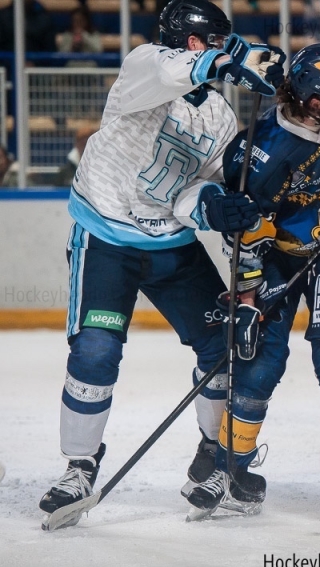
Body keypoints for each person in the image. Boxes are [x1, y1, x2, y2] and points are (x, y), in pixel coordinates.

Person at [38, 0, 286, 528]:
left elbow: (190, 191)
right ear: (194, 42)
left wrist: (215, 206)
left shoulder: (218, 114)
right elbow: (172, 70)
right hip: (105, 237)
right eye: (214, 42)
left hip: (169, 245)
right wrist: (228, 61)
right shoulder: (143, 65)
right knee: (96, 351)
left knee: (219, 349)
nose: (219, 50)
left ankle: (213, 455)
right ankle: (79, 466)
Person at [183, 43, 320, 520]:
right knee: (257, 367)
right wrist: (246, 297)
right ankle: (226, 466)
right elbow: (242, 235)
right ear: (312, 101)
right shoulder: (261, 155)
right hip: (274, 258)